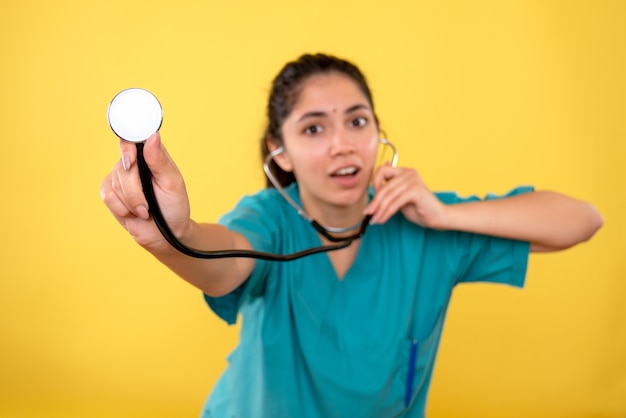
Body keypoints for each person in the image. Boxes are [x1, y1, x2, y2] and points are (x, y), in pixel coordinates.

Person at [100, 53, 603, 417]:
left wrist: (445, 216)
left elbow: (582, 219)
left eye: (356, 121)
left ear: (378, 133)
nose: (343, 145)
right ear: (281, 152)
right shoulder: (270, 218)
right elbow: (225, 263)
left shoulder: (426, 221)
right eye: (314, 129)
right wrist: (173, 234)